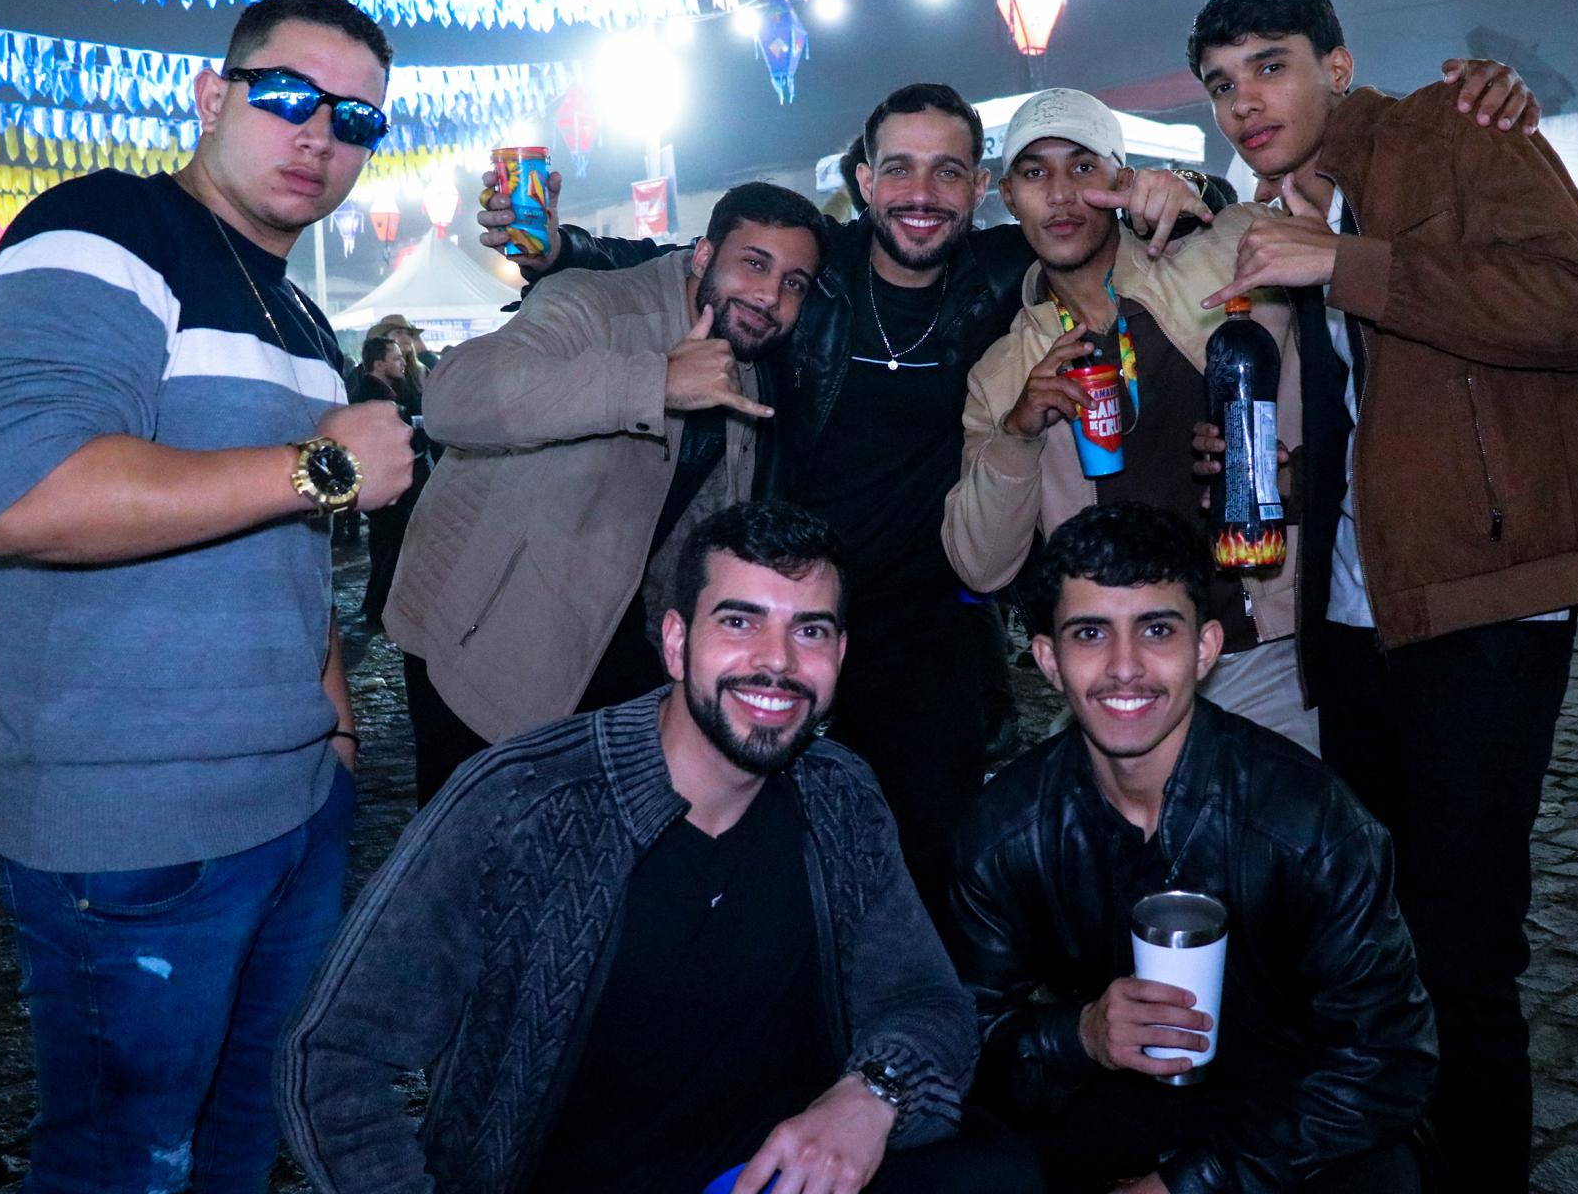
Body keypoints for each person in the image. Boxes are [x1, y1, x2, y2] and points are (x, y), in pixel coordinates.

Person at [479, 70, 1533, 909]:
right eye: (900, 168)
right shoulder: (823, 273)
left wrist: (1197, 190)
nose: (923, 192)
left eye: (950, 171)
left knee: (1020, 856)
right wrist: (562, 248)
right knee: (769, 841)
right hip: (805, 611)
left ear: (979, 189)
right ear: (863, 178)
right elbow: (708, 262)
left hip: (968, 631)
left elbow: (1258, 237)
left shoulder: (1015, 272)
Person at [0, 0, 414, 1193]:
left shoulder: (301, 313)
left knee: (236, 1147)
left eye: (357, 118)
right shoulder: (105, 225)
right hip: (136, 829)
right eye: (288, 95)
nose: (320, 133)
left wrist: (337, 734)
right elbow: (29, 495)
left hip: (295, 806)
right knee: (125, 1161)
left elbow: (287, 552)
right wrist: (325, 467)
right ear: (212, 96)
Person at [1185, 0, 1578, 1190]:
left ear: (1337, 65)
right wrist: (1280, 464)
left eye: (1270, 65)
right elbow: (1389, 405)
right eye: (1220, 83)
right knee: (1375, 932)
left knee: (1463, 947)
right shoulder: (1294, 205)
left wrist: (1351, 264)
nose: (1243, 101)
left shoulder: (1456, 129)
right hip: (1355, 615)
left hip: (1483, 602)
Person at [280, 501, 1040, 1194]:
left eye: (809, 630)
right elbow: (331, 1057)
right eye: (739, 622)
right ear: (676, 643)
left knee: (1001, 1175)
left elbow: (926, 1001)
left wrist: (870, 1096)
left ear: (839, 655)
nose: (777, 661)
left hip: (775, 1174)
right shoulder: (525, 803)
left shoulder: (837, 794)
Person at [949, 503, 1436, 1193]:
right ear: (1049, 661)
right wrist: (1081, 1033)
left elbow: (1388, 1061)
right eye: (1090, 633)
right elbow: (965, 1042)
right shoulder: (1004, 831)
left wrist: (1191, 1184)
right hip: (1110, 1109)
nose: (1124, 668)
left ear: (1204, 649)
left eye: (1156, 630)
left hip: (1288, 1122)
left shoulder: (1311, 823)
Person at [385, 182, 828, 804]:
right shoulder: (594, 302)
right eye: (754, 264)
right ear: (703, 255)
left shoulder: (748, 364)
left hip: (623, 658)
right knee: (477, 845)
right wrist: (656, 381)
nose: (769, 295)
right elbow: (455, 398)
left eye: (793, 283)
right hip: (489, 647)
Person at [942, 88, 1317, 753]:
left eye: (1083, 167)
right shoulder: (1000, 374)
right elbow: (980, 566)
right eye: (1035, 173)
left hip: (1261, 646)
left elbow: (1327, 220)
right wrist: (1019, 434)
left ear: (1122, 180)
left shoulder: (1226, 253)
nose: (1060, 194)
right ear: (1008, 196)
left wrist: (1198, 191)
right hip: (1121, 669)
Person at [350, 334, 430, 627]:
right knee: (393, 545)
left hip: (383, 482)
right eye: (395, 358)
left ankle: (375, 605)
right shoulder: (374, 396)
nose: (402, 363)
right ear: (379, 362)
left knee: (384, 545)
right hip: (385, 484)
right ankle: (380, 610)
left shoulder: (381, 391)